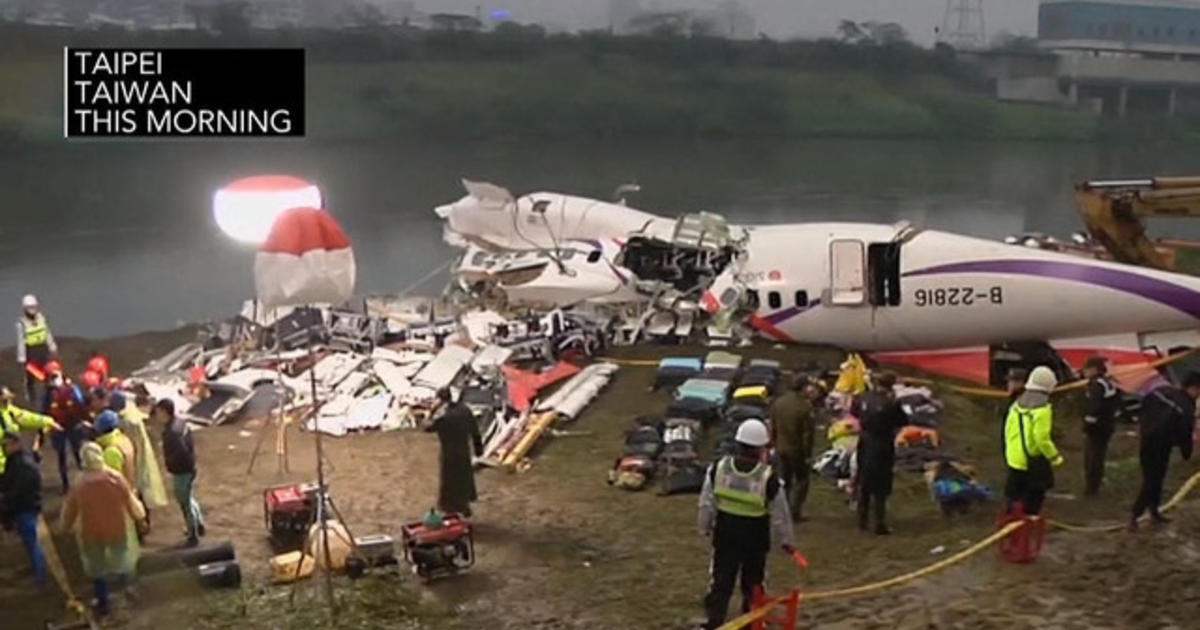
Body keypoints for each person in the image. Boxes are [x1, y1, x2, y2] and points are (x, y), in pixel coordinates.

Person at [697, 419, 795, 630]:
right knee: (753, 584)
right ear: (762, 448)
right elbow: (781, 514)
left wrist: (704, 526)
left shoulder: (718, 469)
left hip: (725, 534)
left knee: (721, 581)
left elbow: (707, 502)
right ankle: (750, 623)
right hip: (755, 538)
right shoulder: (768, 477)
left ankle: (715, 622)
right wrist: (786, 540)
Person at [60, 441, 146, 617]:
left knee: (96, 566)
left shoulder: (79, 483)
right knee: (124, 559)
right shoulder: (115, 478)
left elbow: (70, 510)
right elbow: (130, 500)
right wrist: (140, 517)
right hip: (117, 527)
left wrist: (65, 527)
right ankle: (130, 591)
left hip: (90, 531)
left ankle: (103, 600)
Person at [1129, 373, 1199, 531]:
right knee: (1152, 480)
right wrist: (1186, 453)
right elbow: (1185, 431)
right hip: (1162, 445)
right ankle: (1135, 516)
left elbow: (1145, 403)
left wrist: (1144, 427)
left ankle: (1154, 512)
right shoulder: (1186, 406)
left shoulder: (1162, 391)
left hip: (1147, 440)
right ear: (1193, 388)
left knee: (1155, 478)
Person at [1003, 366, 1064, 516]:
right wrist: (1054, 457)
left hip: (1014, 457)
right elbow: (1041, 438)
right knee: (1034, 496)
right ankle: (1029, 522)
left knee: (1014, 495)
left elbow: (1007, 430)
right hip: (1033, 460)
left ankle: (1010, 521)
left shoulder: (1016, 405)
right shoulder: (1042, 409)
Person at [853, 371, 908, 535]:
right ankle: (879, 523)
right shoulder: (891, 403)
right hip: (882, 444)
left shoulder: (862, 397)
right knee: (881, 485)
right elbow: (902, 421)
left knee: (863, 481)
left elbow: (854, 412)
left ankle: (861, 521)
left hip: (864, 442)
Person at [423, 388, 484, 517]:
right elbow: (475, 431)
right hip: (463, 449)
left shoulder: (443, 416)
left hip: (448, 452)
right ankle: (464, 504)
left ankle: (450, 509)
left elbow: (427, 427)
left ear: (440, 399)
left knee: (449, 481)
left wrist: (431, 411)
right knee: (463, 478)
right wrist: (479, 450)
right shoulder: (465, 410)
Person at [0, 431, 47, 587]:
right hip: (24, 508)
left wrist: (6, 506)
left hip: (25, 508)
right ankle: (36, 569)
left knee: (32, 542)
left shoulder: (22, 465)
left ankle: (40, 577)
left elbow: (17, 491)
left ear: (16, 443)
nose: (5, 448)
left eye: (7, 445)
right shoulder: (16, 461)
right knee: (29, 542)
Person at [157, 399, 207, 546]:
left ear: (165, 412)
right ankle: (199, 525)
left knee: (185, 503)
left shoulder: (172, 432)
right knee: (189, 498)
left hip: (182, 471)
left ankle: (193, 535)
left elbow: (180, 452)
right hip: (190, 467)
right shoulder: (180, 423)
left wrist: (171, 464)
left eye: (159, 411)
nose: (157, 415)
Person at [113, 392, 169, 519]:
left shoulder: (127, 421)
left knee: (137, 489)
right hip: (140, 453)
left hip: (134, 456)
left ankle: (142, 519)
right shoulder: (132, 414)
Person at [769, 375, 815, 522]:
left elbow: (773, 426)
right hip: (797, 450)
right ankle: (794, 511)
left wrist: (774, 443)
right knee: (802, 480)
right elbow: (807, 435)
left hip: (781, 447)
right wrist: (807, 454)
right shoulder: (805, 407)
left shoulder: (779, 402)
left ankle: (781, 510)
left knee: (784, 481)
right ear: (803, 388)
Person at [1081, 356, 1121, 497]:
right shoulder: (1108, 382)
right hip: (1106, 425)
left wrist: (1087, 425)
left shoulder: (1097, 385)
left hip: (1097, 427)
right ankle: (1094, 485)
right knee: (1098, 456)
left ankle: (1091, 488)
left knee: (1092, 457)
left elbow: (1094, 406)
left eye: (1086, 369)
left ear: (1094, 369)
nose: (1084, 372)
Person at [45, 363, 88, 491]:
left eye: (54, 376)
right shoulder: (48, 393)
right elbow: (44, 410)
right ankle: (65, 484)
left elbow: (80, 404)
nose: (53, 379)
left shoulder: (72, 388)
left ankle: (85, 480)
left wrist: (83, 420)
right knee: (61, 455)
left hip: (73, 425)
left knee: (77, 453)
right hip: (59, 427)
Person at [0, 386, 61, 474]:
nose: (9, 401)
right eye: (5, 399)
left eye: (9, 398)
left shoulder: (9, 411)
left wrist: (48, 421)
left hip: (10, 463)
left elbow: (25, 417)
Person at [15, 294, 56, 410]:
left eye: (33, 307)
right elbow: (20, 340)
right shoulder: (21, 323)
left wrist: (52, 345)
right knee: (30, 377)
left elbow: (47, 332)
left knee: (48, 372)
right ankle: (31, 399)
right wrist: (22, 357)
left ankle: (50, 395)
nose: (32, 310)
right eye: (29, 307)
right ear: (24, 308)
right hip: (30, 352)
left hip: (43, 349)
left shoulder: (41, 318)